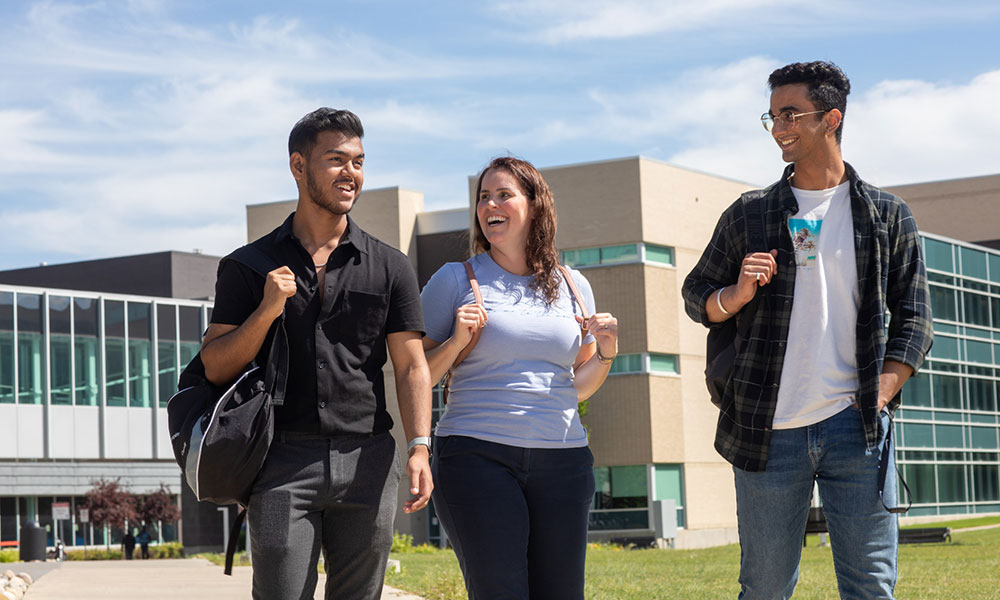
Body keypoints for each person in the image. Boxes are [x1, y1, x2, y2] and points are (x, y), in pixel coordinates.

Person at [682, 61, 932, 599]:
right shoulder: (749, 214)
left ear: (831, 118)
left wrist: (880, 395)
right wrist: (736, 295)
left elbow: (914, 319)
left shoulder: (887, 216)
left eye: (790, 114)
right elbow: (695, 295)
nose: (778, 128)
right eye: (771, 116)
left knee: (871, 587)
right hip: (766, 433)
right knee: (766, 588)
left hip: (858, 431)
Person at [201, 108, 433, 600]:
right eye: (336, 160)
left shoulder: (390, 266)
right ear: (298, 166)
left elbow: (412, 364)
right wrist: (266, 311)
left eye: (359, 161)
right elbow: (215, 364)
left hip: (369, 457)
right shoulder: (248, 266)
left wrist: (420, 445)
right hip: (282, 461)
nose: (351, 173)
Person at [420, 156, 619, 599]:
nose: (491, 204)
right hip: (478, 457)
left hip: (564, 460)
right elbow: (417, 376)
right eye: (484, 197)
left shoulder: (573, 284)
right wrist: (455, 341)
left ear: (535, 205)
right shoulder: (455, 280)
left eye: (504, 194)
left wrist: (606, 353)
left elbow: (576, 384)